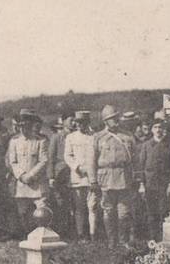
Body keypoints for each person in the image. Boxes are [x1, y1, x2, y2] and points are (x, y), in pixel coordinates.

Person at [92, 104, 136, 248]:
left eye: (117, 117)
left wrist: (136, 178)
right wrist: (93, 181)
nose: (116, 121)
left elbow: (135, 159)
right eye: (112, 118)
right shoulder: (98, 137)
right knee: (108, 211)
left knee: (124, 212)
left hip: (124, 177)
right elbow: (91, 161)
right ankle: (111, 241)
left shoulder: (127, 136)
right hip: (106, 178)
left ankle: (123, 241)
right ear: (105, 121)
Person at [5, 109, 49, 237]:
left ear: (31, 125)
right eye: (21, 126)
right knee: (23, 213)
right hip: (22, 184)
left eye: (26, 126)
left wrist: (31, 175)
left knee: (41, 211)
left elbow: (44, 161)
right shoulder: (14, 142)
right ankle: (27, 235)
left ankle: (41, 236)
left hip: (37, 184)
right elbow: (13, 162)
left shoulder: (40, 141)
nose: (23, 129)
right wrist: (22, 176)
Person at [136, 118, 170, 242]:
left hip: (163, 185)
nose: (158, 130)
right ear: (152, 130)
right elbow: (141, 167)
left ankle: (164, 239)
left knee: (163, 211)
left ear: (164, 130)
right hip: (149, 184)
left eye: (160, 127)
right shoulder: (146, 145)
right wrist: (141, 184)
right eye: (155, 127)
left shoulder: (169, 145)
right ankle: (153, 240)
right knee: (151, 213)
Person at [64, 110, 98, 241]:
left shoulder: (94, 136)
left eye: (82, 123)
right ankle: (80, 234)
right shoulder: (71, 137)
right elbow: (68, 155)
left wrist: (91, 171)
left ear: (87, 123)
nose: (79, 125)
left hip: (91, 177)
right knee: (79, 207)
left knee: (92, 206)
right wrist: (77, 167)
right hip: (77, 176)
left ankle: (93, 234)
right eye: (77, 122)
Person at [47, 114, 73, 237]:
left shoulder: (77, 136)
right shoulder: (57, 137)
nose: (73, 123)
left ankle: (73, 228)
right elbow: (51, 158)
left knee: (74, 201)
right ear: (63, 122)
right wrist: (51, 176)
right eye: (70, 120)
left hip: (74, 173)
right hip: (60, 174)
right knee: (61, 202)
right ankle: (62, 230)